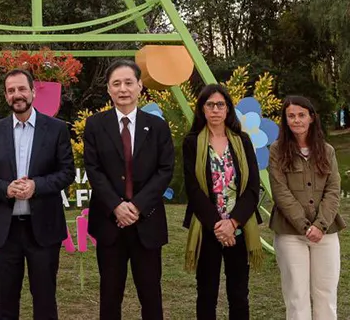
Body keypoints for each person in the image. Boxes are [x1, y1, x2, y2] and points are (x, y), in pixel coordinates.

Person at [0, 69, 75, 320]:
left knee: (44, 300)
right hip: (5, 231)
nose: (17, 95)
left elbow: (66, 173)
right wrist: (5, 189)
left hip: (43, 230)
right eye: (11, 90)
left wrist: (37, 186)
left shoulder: (56, 129)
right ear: (6, 96)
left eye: (22, 89)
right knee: (5, 303)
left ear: (33, 91)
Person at [83, 59, 174, 320]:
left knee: (150, 293)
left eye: (128, 83)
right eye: (116, 84)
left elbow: (165, 170)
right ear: (109, 90)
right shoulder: (95, 125)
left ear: (140, 86)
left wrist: (137, 206)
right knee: (110, 294)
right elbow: (94, 169)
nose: (123, 89)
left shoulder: (157, 126)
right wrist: (116, 206)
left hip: (147, 222)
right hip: (109, 223)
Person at [182, 84, 263, 320]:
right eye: (210, 104)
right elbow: (193, 189)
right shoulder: (192, 142)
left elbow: (252, 186)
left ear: (228, 109)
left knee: (239, 294)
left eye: (220, 104)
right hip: (208, 228)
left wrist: (233, 222)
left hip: (239, 227)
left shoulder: (242, 141)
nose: (215, 109)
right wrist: (219, 225)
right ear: (202, 109)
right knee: (206, 293)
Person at [269, 95, 344, 320]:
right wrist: (304, 225)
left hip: (326, 232)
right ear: (285, 120)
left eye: (301, 115)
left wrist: (320, 225)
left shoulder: (327, 151)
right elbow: (281, 192)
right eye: (291, 116)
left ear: (311, 118)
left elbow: (333, 190)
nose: (296, 120)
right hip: (290, 233)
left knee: (326, 294)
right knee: (296, 297)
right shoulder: (277, 151)